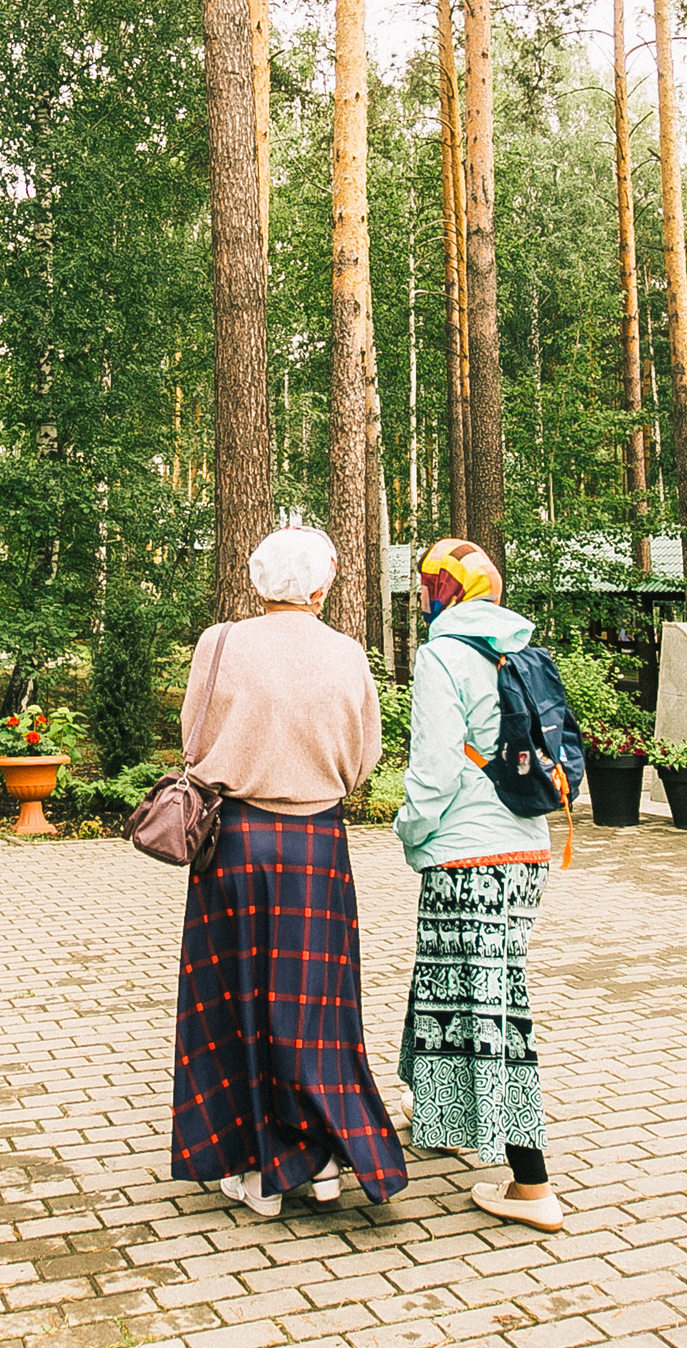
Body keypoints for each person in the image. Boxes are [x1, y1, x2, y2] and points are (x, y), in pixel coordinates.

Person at [173, 526, 405, 1219]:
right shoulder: (347, 654)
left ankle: (253, 1168)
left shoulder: (220, 643)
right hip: (318, 843)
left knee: (235, 1002)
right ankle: (324, 1158)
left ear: (256, 582)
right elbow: (365, 759)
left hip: (235, 840)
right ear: (323, 585)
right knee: (316, 1007)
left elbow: (192, 740)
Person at [395, 537, 563, 1232]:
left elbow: (434, 769)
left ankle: (532, 1182)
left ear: (447, 592)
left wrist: (408, 830)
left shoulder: (442, 656)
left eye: (429, 587)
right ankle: (437, 1111)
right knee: (445, 981)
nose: (425, 598)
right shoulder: (524, 652)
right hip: (526, 851)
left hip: (466, 856)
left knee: (496, 1008)